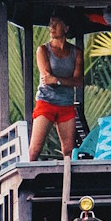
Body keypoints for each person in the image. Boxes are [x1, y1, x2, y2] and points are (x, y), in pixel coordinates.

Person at [29, 11, 83, 161]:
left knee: (68, 150)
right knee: (35, 148)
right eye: (50, 23)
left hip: (66, 104)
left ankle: (68, 182)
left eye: (56, 23)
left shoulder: (76, 52)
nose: (51, 27)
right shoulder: (43, 50)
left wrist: (58, 80)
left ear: (66, 28)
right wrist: (65, 80)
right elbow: (47, 78)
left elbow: (78, 81)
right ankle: (28, 182)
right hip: (46, 101)